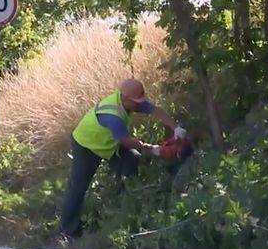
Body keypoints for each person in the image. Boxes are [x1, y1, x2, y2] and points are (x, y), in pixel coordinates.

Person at [60, 78, 187, 239]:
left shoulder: (129, 101)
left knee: (132, 161)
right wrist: (154, 149)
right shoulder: (113, 117)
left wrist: (175, 127)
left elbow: (155, 110)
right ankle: (69, 230)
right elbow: (127, 142)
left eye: (141, 100)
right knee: (78, 186)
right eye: (137, 102)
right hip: (87, 145)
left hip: (107, 141)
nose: (139, 105)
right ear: (126, 98)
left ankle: (127, 201)